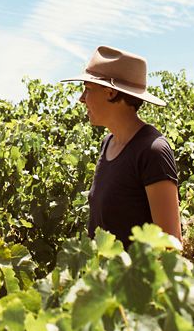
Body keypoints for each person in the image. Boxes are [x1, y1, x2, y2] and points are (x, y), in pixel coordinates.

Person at [63, 46, 181, 247]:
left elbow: (170, 246)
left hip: (132, 278)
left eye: (88, 89)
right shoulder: (108, 143)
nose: (81, 99)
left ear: (110, 93)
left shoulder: (152, 151)